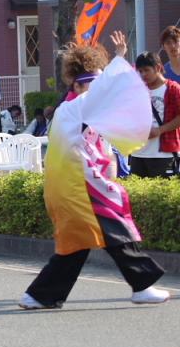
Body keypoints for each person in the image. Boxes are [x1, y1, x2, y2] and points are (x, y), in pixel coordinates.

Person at [19, 32, 170, 309]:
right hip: (78, 187)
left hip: (77, 185)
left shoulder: (76, 111)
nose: (94, 91)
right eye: (89, 85)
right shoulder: (76, 107)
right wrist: (120, 59)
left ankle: (139, 284)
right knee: (97, 235)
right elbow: (105, 93)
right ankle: (40, 294)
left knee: (99, 236)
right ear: (75, 87)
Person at [129, 51, 180, 178]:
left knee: (163, 195)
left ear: (157, 67)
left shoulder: (173, 89)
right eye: (140, 71)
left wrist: (160, 130)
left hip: (164, 155)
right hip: (137, 154)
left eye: (146, 70)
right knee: (137, 196)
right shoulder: (137, 90)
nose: (143, 74)